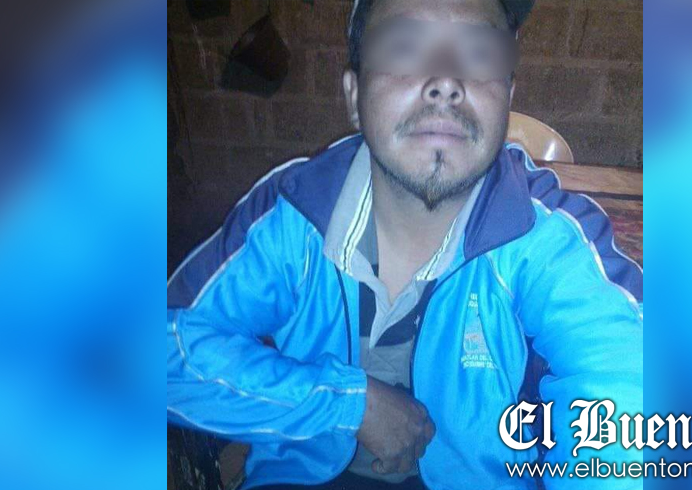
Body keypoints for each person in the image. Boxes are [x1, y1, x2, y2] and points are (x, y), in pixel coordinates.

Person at [167, 0, 643, 489]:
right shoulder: (294, 215)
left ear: (507, 97)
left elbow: (626, 389)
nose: (446, 80)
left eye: (480, 53)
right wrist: (346, 403)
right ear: (354, 97)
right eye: (404, 48)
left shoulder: (544, 236)